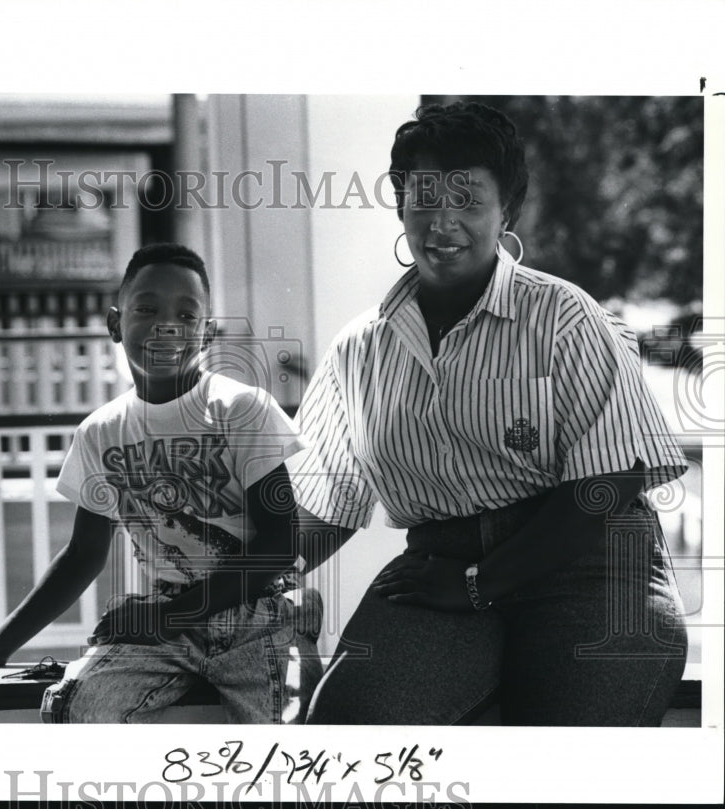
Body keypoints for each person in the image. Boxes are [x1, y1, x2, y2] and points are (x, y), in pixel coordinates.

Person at [293, 102, 689, 726]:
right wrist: (227, 582)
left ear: (508, 209)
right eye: (423, 197)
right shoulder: (360, 349)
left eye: (468, 199)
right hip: (435, 572)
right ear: (400, 203)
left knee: (568, 766)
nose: (442, 222)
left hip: (589, 572)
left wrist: (482, 580)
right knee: (348, 739)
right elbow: (324, 502)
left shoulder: (565, 317)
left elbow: (607, 484)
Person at [0, 243, 322, 724]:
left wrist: (168, 619)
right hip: (169, 621)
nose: (166, 325)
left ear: (207, 333)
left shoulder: (242, 410)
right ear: (116, 323)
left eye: (186, 314)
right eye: (147, 309)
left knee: (281, 751)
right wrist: (0, 644)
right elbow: (83, 553)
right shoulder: (102, 431)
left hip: (261, 618)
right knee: (76, 707)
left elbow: (281, 544)